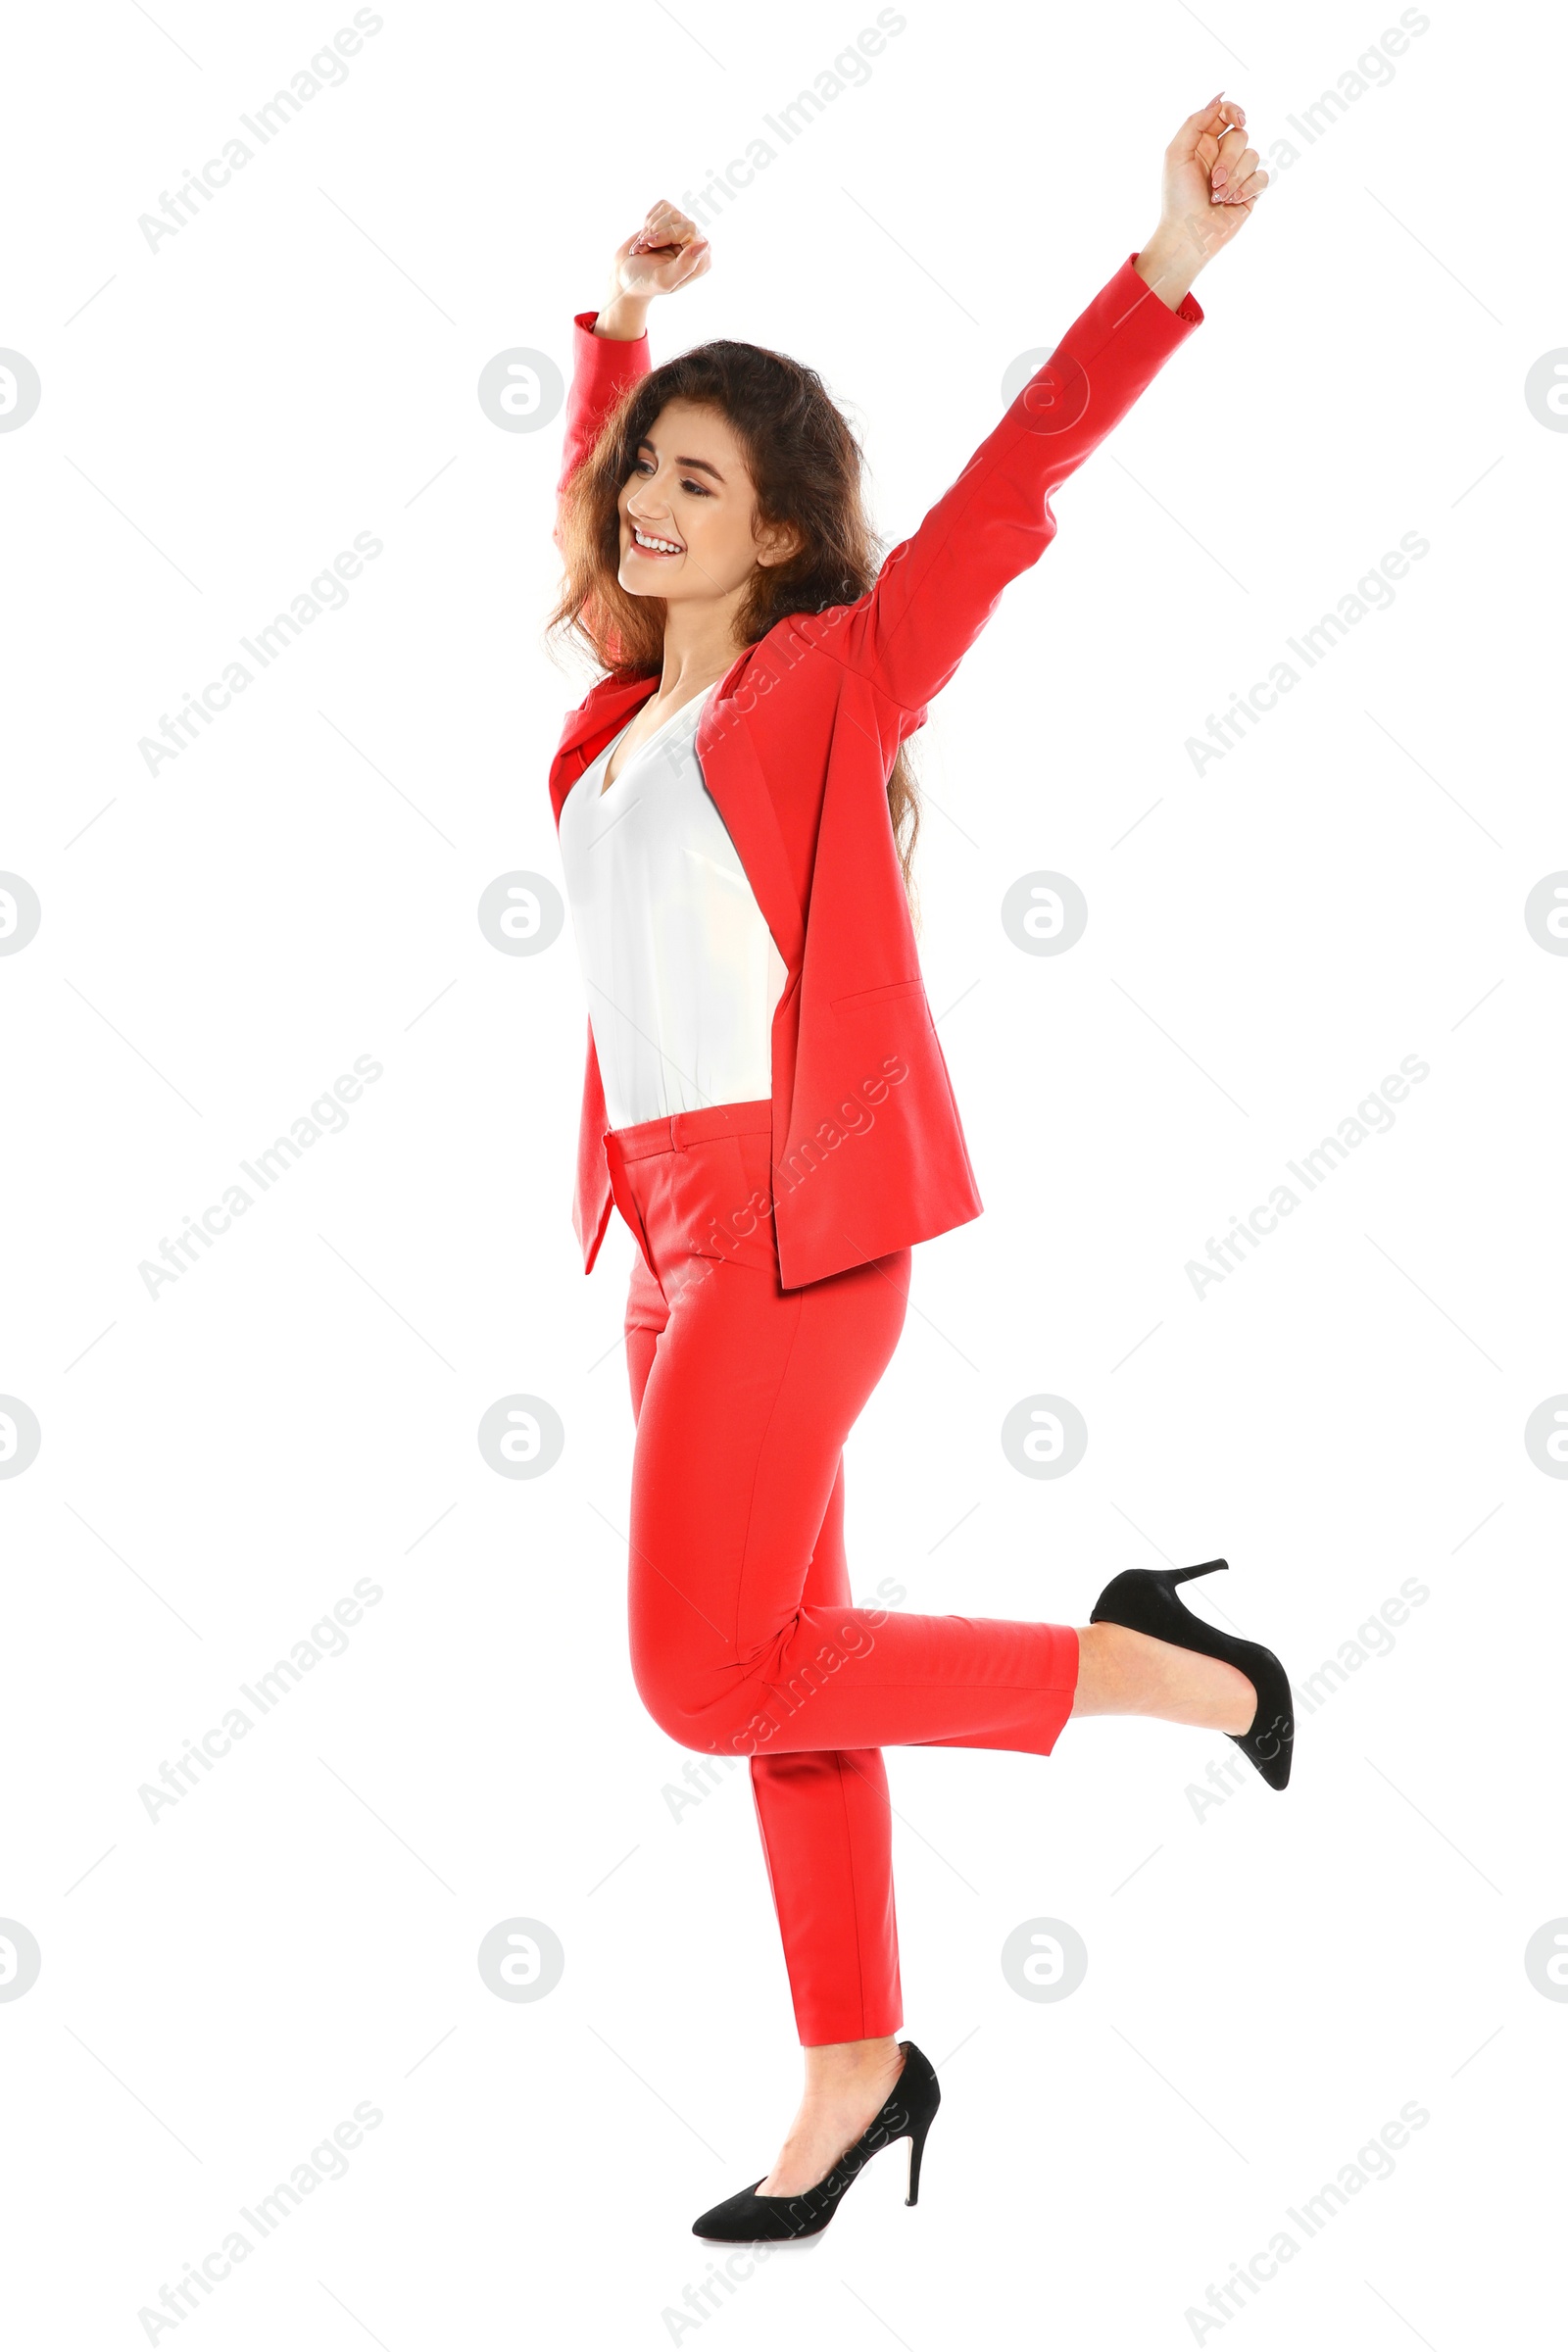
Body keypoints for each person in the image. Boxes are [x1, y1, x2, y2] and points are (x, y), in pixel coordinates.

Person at [546, 94, 1286, 2244]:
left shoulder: (823, 686)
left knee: (706, 1672)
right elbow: (585, 534)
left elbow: (1000, 497)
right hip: (665, 1252)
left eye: (700, 476)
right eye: (637, 470)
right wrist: (613, 332)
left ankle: (1155, 1668)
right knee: (783, 1662)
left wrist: (1161, 267)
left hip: (792, 1231)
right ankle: (855, 2063)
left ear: (778, 534)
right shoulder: (611, 727)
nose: (649, 497)